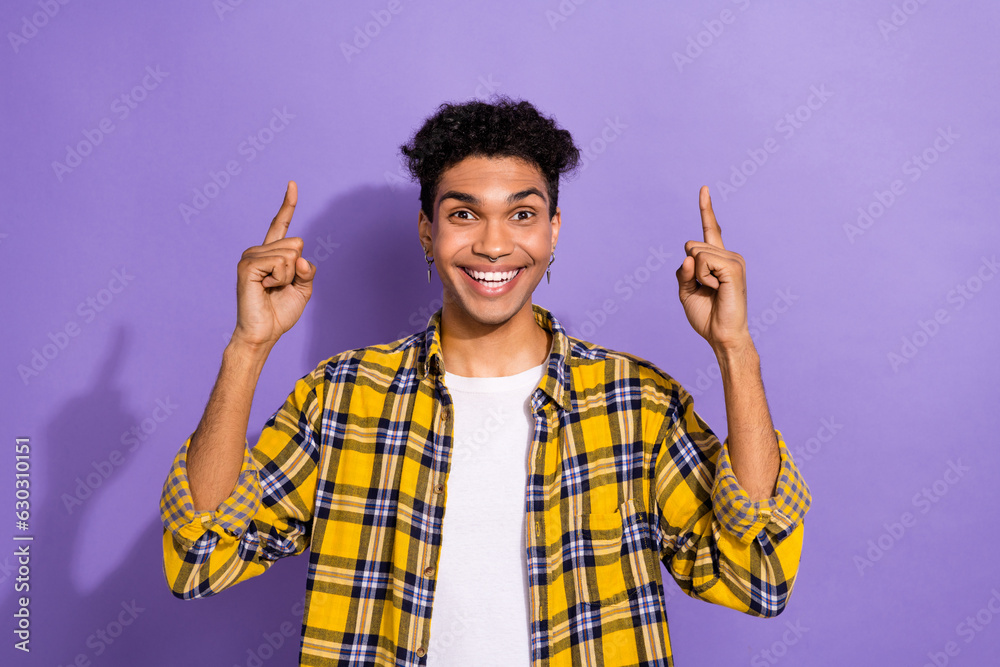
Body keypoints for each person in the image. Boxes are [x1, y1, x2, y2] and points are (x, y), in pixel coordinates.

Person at [160, 96, 811, 666]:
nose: (494, 244)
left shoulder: (636, 403)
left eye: (522, 215)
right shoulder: (343, 397)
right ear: (428, 231)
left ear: (553, 232)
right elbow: (201, 556)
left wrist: (736, 349)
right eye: (465, 214)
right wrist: (249, 347)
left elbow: (756, 572)